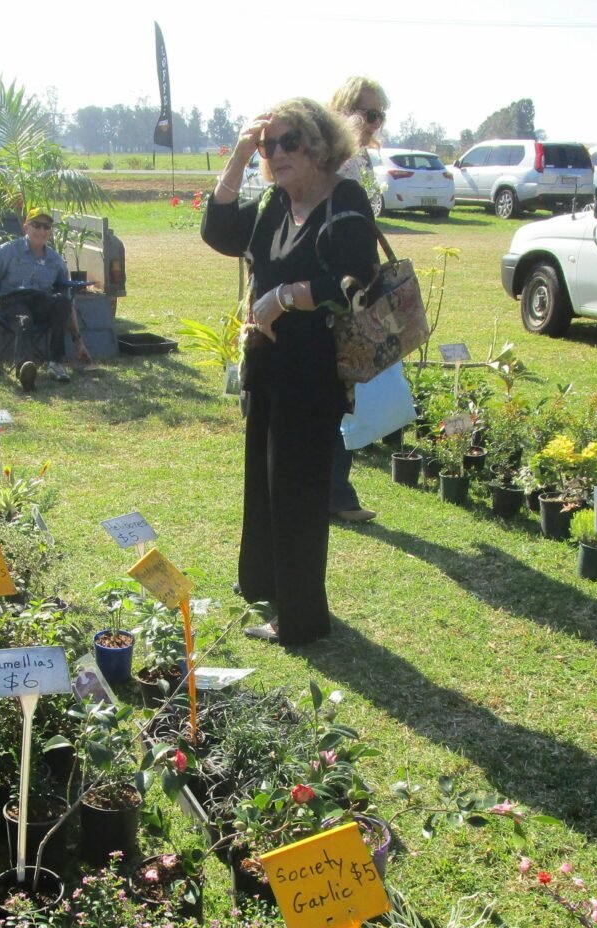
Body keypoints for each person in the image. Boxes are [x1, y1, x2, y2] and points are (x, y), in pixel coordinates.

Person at [202, 98, 379, 645]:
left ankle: (299, 619)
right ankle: (261, 584)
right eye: (267, 145)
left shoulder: (343, 200)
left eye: (287, 143)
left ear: (320, 146)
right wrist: (236, 156)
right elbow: (222, 234)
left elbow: (358, 282)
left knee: (298, 494)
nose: (275, 155)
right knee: (264, 480)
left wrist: (283, 296)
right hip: (268, 364)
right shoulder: (279, 202)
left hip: (312, 372)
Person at [327, 76, 391, 525]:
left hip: (359, 292)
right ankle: (336, 493)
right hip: (336, 293)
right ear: (343, 110)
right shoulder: (335, 161)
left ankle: (336, 489)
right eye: (365, 113)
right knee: (336, 392)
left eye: (378, 115)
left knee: (344, 393)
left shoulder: (362, 161)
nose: (372, 123)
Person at [0, 207, 94, 387]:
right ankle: (25, 368)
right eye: (36, 225)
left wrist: (78, 340)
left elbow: (68, 299)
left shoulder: (56, 260)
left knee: (61, 301)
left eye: (46, 226)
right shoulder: (8, 251)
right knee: (23, 319)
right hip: (12, 301)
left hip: (40, 301)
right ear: (26, 227)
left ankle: (56, 363)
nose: (42, 230)